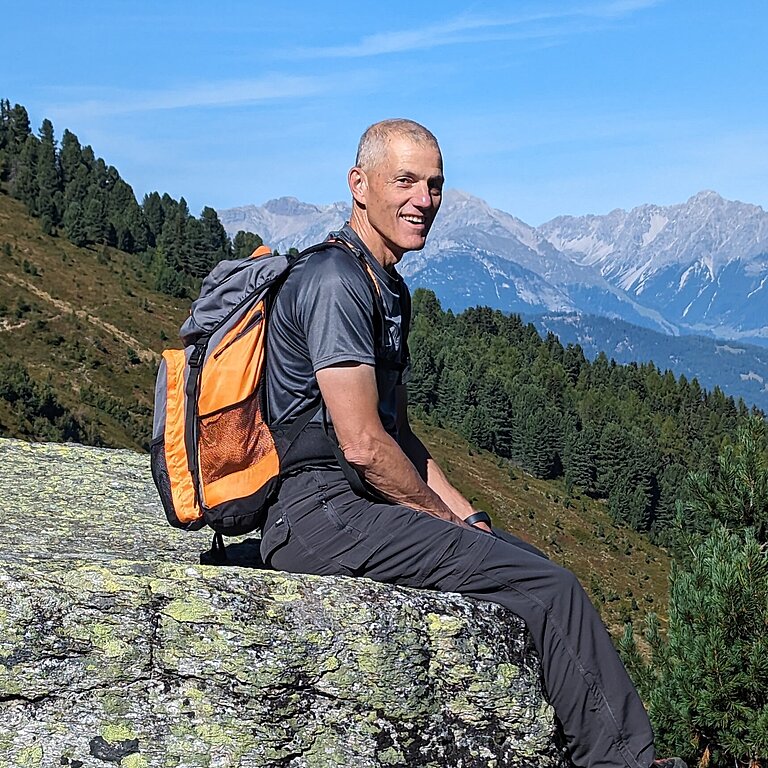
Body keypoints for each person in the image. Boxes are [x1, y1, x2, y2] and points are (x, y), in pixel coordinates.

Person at [260, 118, 684, 768]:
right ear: (359, 184)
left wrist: (469, 518)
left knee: (531, 565)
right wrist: (440, 523)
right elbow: (365, 445)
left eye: (435, 184)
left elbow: (399, 433)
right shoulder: (336, 282)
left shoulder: (384, 285)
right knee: (551, 590)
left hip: (353, 510)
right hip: (321, 515)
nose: (424, 200)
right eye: (406, 181)